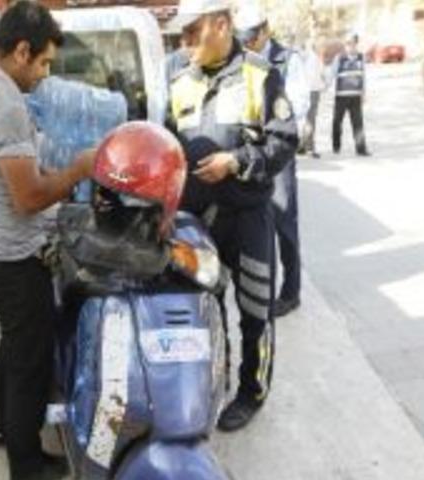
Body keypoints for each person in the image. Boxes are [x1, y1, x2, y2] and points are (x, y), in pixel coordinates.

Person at [0, 3, 94, 479]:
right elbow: (29, 197)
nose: (45, 74)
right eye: (44, 62)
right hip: (11, 263)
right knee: (29, 361)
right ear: (20, 51)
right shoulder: (7, 103)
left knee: (14, 345)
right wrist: (79, 168)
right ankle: (26, 462)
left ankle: (2, 425)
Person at [166, 0, 298, 432]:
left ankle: (251, 393)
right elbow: (168, 146)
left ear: (221, 24)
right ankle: (214, 379)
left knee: (255, 312)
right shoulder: (180, 80)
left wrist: (236, 161)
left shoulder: (259, 74)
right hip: (197, 223)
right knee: (205, 308)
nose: (184, 43)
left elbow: (283, 141)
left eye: (192, 33)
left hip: (248, 220)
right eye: (181, 35)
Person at [235, 4, 305, 316]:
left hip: (278, 153)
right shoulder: (239, 59)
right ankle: (259, 292)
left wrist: (279, 141)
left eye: (252, 37)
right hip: (249, 153)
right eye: (244, 38)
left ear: (265, 30)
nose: (247, 43)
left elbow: (298, 109)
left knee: (284, 225)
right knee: (257, 226)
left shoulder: (289, 60)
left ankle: (291, 292)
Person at [328, 33, 372, 156]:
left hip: (355, 96)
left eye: (352, 43)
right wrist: (328, 91)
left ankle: (361, 149)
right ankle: (336, 146)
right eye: (347, 43)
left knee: (358, 123)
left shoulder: (361, 57)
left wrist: (364, 93)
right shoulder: (339, 58)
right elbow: (332, 75)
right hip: (341, 96)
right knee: (337, 122)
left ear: (356, 44)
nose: (350, 46)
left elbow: (363, 76)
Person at [300, 38, 326, 159]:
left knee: (307, 120)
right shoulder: (313, 59)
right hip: (312, 92)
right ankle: (309, 148)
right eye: (321, 45)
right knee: (310, 121)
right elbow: (318, 77)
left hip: (308, 92)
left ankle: (303, 146)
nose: (323, 47)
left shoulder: (310, 58)